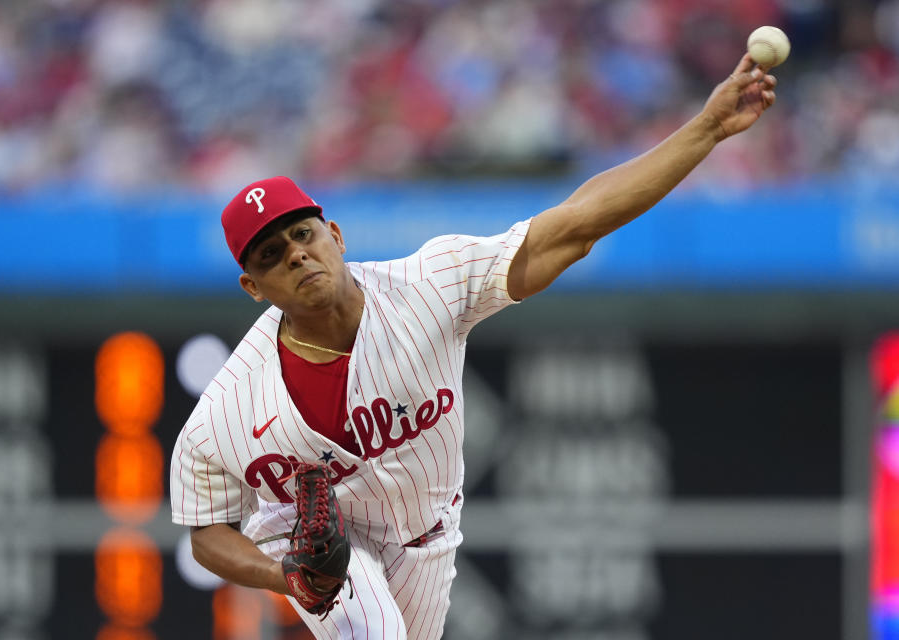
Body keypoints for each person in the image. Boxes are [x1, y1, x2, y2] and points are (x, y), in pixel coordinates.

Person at [170, 53, 778, 639]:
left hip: (430, 533)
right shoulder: (229, 409)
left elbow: (577, 224)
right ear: (253, 287)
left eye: (302, 234)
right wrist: (285, 576)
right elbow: (204, 531)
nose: (296, 254)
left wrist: (707, 128)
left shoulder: (431, 286)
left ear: (334, 233)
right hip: (324, 553)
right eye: (271, 255)